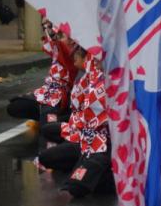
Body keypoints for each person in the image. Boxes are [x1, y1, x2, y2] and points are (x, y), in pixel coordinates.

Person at [36, 47, 112, 197]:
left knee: (76, 188)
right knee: (46, 154)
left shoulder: (118, 83)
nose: (95, 61)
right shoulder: (90, 78)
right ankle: (86, 168)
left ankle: (109, 175)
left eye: (98, 58)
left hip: (104, 144)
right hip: (83, 136)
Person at [7, 17, 77, 124]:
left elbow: (61, 44)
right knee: (15, 107)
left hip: (61, 97)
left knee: (47, 128)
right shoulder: (57, 48)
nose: (57, 39)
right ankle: (50, 118)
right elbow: (50, 43)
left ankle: (58, 120)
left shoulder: (72, 53)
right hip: (48, 92)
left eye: (60, 36)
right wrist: (48, 26)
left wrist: (53, 26)